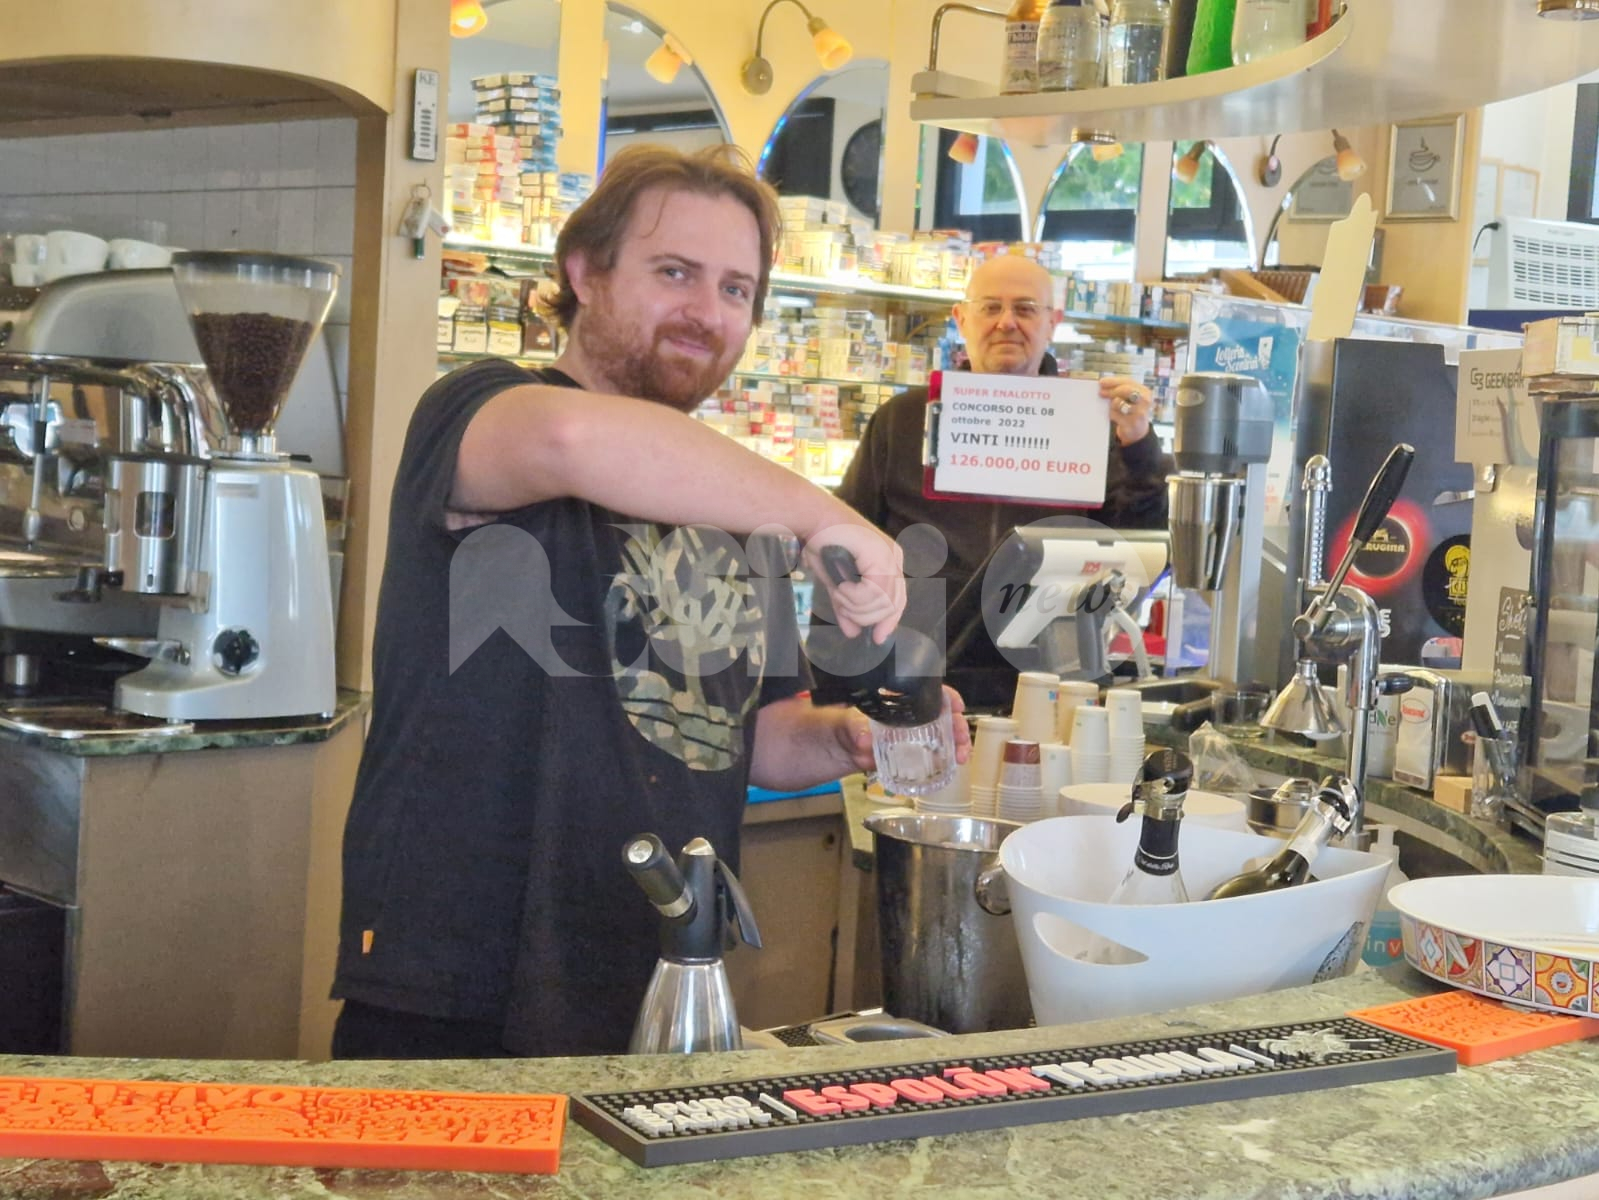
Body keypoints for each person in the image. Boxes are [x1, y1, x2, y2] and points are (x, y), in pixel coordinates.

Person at [330, 144, 966, 1060]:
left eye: (736, 289)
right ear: (583, 274)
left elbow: (745, 736)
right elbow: (571, 439)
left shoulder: (734, 504)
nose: (707, 311)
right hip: (456, 981)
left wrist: (843, 739)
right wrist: (823, 515)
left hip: (655, 976)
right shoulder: (478, 408)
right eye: (675, 272)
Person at [836, 253, 1173, 595]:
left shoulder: (1096, 425)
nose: (1006, 323)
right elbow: (844, 535)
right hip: (919, 625)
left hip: (1044, 624)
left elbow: (1138, 554)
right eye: (990, 307)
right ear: (961, 319)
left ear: (1052, 323)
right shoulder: (902, 418)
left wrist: (1139, 445)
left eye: (1025, 309)